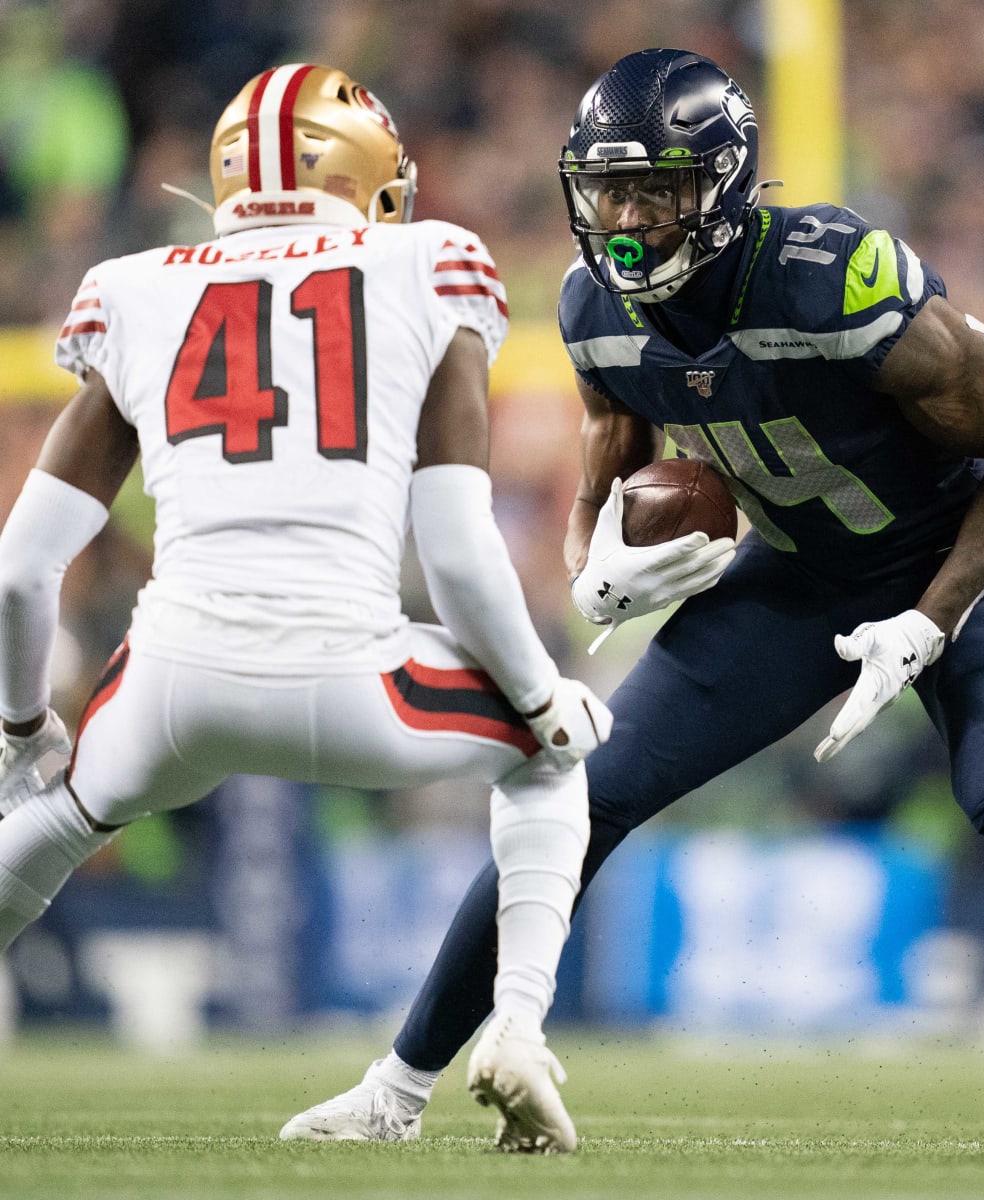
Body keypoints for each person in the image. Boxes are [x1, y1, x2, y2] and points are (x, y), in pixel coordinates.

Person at [282, 48, 984, 1144]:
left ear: (719, 187)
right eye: (607, 188)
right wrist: (596, 560)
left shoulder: (830, 277)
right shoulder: (596, 311)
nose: (625, 216)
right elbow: (607, 472)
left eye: (655, 189)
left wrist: (930, 620)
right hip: (805, 570)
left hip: (958, 551)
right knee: (583, 793)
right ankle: (394, 1092)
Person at [0, 63, 613, 1155]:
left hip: (167, 686)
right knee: (549, 757)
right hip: (353, 678)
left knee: (57, 820)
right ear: (376, 181)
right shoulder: (430, 261)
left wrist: (18, 727)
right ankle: (516, 1027)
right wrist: (539, 694)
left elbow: (19, 572)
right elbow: (460, 552)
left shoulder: (136, 284)